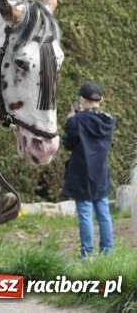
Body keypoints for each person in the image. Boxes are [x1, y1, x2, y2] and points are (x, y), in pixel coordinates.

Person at [62, 81, 116, 258]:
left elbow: (68, 144)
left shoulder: (77, 120)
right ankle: (107, 252)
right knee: (104, 213)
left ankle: (87, 254)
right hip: (101, 174)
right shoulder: (109, 121)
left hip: (81, 174)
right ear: (101, 99)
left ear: (81, 100)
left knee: (85, 214)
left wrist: (71, 119)